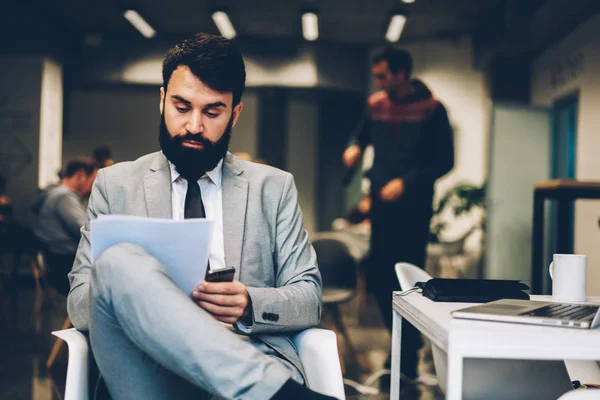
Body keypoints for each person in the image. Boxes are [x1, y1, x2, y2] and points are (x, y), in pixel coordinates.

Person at [67, 33, 333, 400]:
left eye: (212, 111)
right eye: (181, 107)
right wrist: (146, 295)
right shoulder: (116, 185)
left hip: (249, 350)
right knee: (116, 263)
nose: (194, 126)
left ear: (234, 114)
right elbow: (80, 305)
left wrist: (248, 303)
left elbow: (310, 298)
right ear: (162, 100)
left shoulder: (273, 188)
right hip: (148, 369)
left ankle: (258, 384)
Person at [342, 47, 454, 383]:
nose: (377, 82)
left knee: (408, 280)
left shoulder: (432, 110)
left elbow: (444, 161)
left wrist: (407, 183)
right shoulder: (375, 104)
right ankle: (405, 342)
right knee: (377, 272)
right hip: (381, 204)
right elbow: (361, 135)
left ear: (402, 74)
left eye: (383, 75)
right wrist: (354, 147)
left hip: (413, 208)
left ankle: (404, 355)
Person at [32, 158, 97, 295]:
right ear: (80, 176)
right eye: (92, 180)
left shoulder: (54, 192)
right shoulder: (64, 196)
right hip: (65, 260)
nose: (93, 186)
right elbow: (85, 228)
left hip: (55, 257)